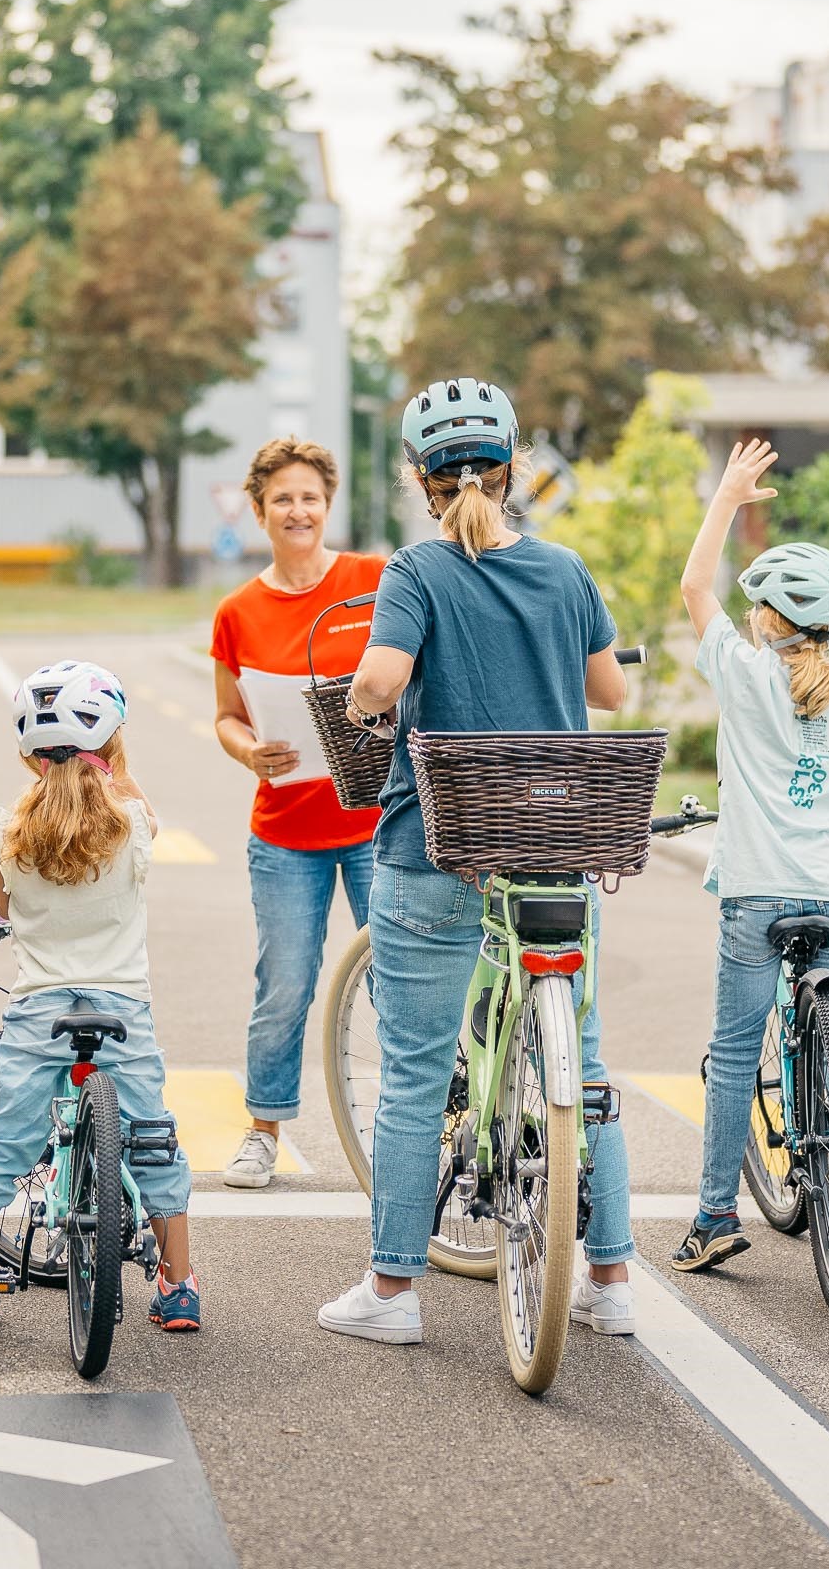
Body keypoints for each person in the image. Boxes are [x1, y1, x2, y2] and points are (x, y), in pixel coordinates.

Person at [315, 378, 635, 1347]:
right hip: (557, 845)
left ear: (422, 479)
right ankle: (611, 1281)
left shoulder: (417, 570)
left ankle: (392, 1291)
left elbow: (380, 681)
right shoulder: (566, 569)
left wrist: (364, 708)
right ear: (513, 467)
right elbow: (610, 691)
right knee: (585, 1064)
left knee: (417, 1074)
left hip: (439, 846)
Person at [668, 437, 829, 1275]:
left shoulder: (743, 671)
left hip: (755, 893)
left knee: (734, 1055)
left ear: (765, 618)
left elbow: (694, 588)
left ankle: (714, 1217)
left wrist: (727, 498)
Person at [0, 659, 201, 1337]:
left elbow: (0, 906)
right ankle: (178, 1288)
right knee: (152, 1138)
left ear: (31, 757)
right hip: (122, 1009)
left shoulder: (10, 832)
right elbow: (141, 808)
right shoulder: (132, 824)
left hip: (39, 1011)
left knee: (5, 1139)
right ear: (111, 747)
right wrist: (116, 768)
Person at [207, 436, 384, 1189]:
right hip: (285, 834)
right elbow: (225, 716)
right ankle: (264, 1131)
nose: (298, 509)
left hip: (378, 825)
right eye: (282, 498)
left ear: (328, 504)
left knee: (401, 981)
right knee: (284, 987)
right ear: (259, 511)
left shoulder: (373, 581)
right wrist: (250, 750)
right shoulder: (237, 612)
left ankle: (425, 1128)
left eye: (310, 496)